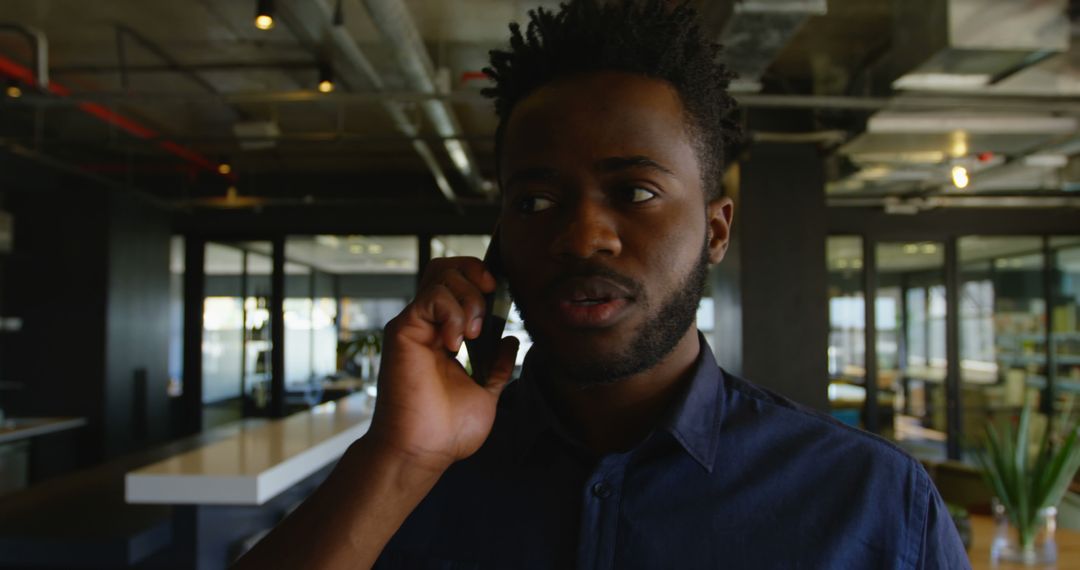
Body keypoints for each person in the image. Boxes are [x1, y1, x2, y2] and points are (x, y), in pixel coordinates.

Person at [236, 1, 970, 568]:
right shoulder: (410, 476)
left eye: (636, 192)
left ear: (716, 230)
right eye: (534, 202)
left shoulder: (871, 501)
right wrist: (400, 460)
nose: (582, 237)